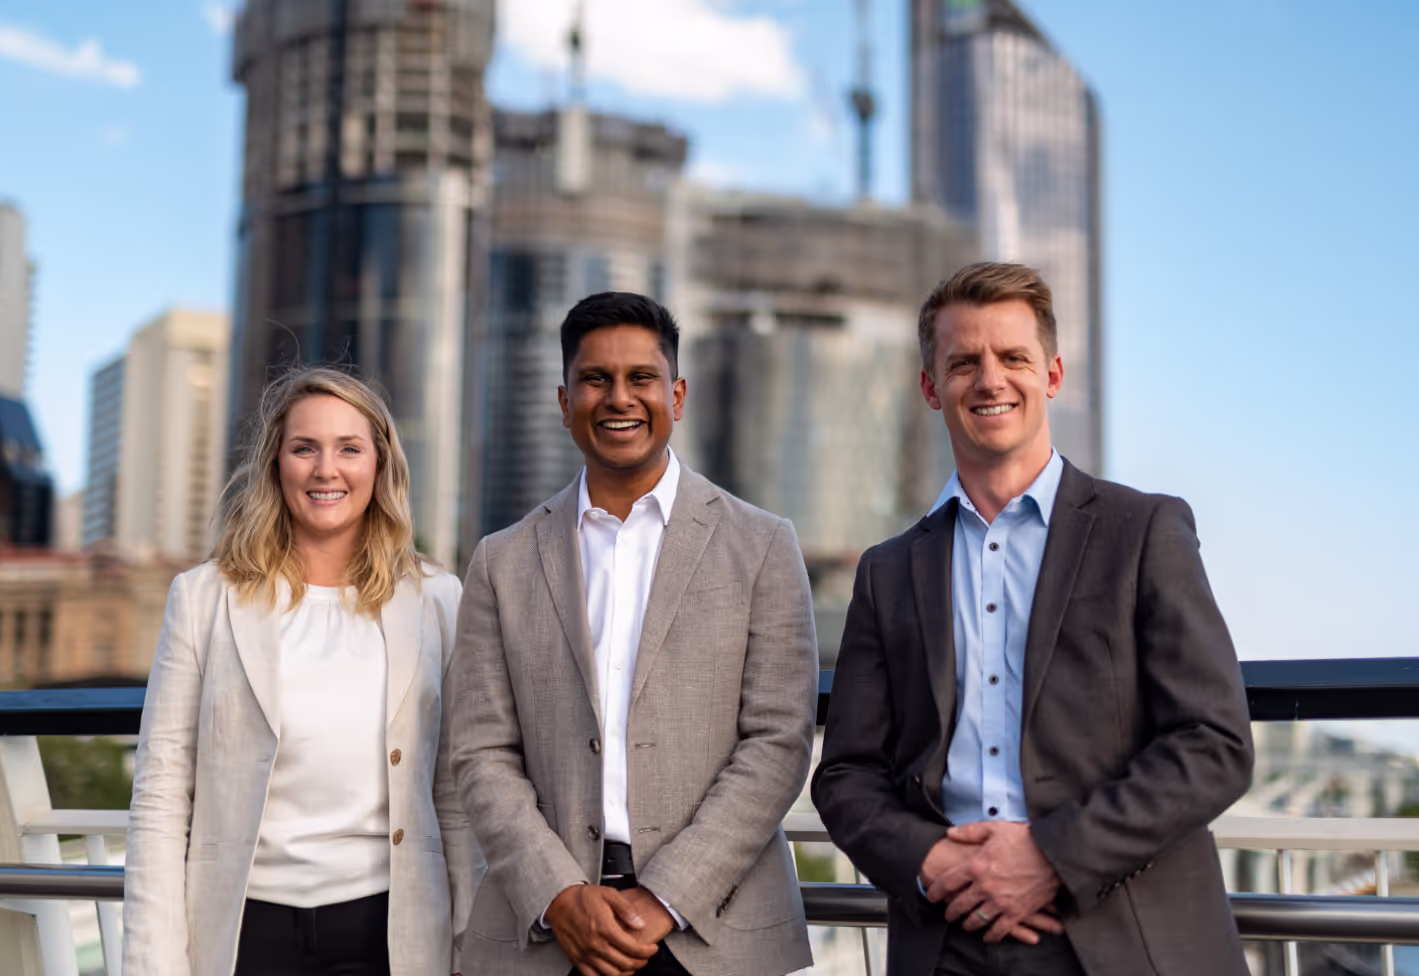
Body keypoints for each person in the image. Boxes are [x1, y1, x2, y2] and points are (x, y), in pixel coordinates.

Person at [811, 263, 1254, 976]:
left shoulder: (1144, 531)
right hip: (946, 937)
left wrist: (1051, 857)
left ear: (1052, 374)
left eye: (1012, 358)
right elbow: (845, 774)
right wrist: (927, 861)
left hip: (1118, 935)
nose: (990, 381)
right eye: (963, 363)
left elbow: (1213, 742)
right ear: (930, 387)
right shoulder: (886, 571)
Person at [449, 292, 818, 976]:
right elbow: (479, 752)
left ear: (676, 395)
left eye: (641, 378)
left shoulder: (762, 545)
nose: (619, 398)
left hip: (714, 935)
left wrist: (666, 896)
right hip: (548, 937)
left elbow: (778, 742)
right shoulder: (500, 561)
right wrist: (558, 894)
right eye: (595, 379)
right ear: (565, 402)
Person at [123, 366, 483, 976]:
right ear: (276, 463)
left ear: (380, 464)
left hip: (388, 931)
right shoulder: (203, 597)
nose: (326, 469)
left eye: (349, 449)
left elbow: (455, 795)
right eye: (304, 448)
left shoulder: (437, 599)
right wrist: (153, 964)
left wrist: (470, 948)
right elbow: (160, 794)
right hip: (244, 932)